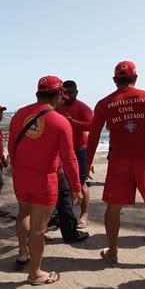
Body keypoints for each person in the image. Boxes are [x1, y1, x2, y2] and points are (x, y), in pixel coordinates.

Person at [87, 61, 145, 268]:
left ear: (115, 80)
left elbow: (93, 137)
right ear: (135, 78)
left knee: (113, 208)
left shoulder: (104, 103)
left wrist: (89, 160)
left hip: (118, 162)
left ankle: (113, 253)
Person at [8, 75, 81, 285]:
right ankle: (35, 273)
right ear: (59, 94)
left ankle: (22, 253)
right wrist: (76, 186)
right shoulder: (60, 121)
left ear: (37, 94)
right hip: (44, 179)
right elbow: (69, 157)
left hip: (21, 175)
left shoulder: (19, 114)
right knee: (39, 228)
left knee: (23, 213)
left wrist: (17, 166)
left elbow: (11, 145)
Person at [58, 80, 94, 228]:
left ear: (76, 92)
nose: (68, 95)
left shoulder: (82, 107)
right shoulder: (57, 106)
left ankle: (84, 215)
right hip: (61, 150)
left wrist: (73, 122)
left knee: (80, 183)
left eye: (71, 92)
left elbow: (93, 125)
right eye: (65, 93)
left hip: (79, 149)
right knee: (62, 183)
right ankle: (64, 215)